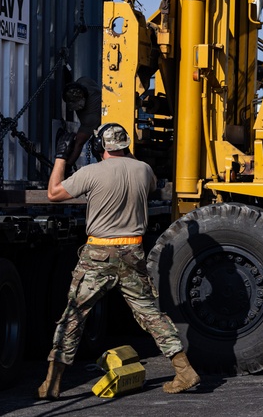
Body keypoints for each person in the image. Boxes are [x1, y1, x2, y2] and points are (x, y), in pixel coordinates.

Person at [37, 123, 200, 400]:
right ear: (125, 146)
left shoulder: (90, 173)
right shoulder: (144, 170)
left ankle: (51, 384)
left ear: (100, 147)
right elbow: (139, 175)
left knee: (74, 316)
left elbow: (53, 194)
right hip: (133, 252)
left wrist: (62, 157)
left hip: (98, 255)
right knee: (150, 314)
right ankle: (184, 371)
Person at [61, 76, 102, 169]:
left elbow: (79, 143)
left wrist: (66, 167)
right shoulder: (84, 81)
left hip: (104, 121)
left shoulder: (90, 116)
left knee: (97, 148)